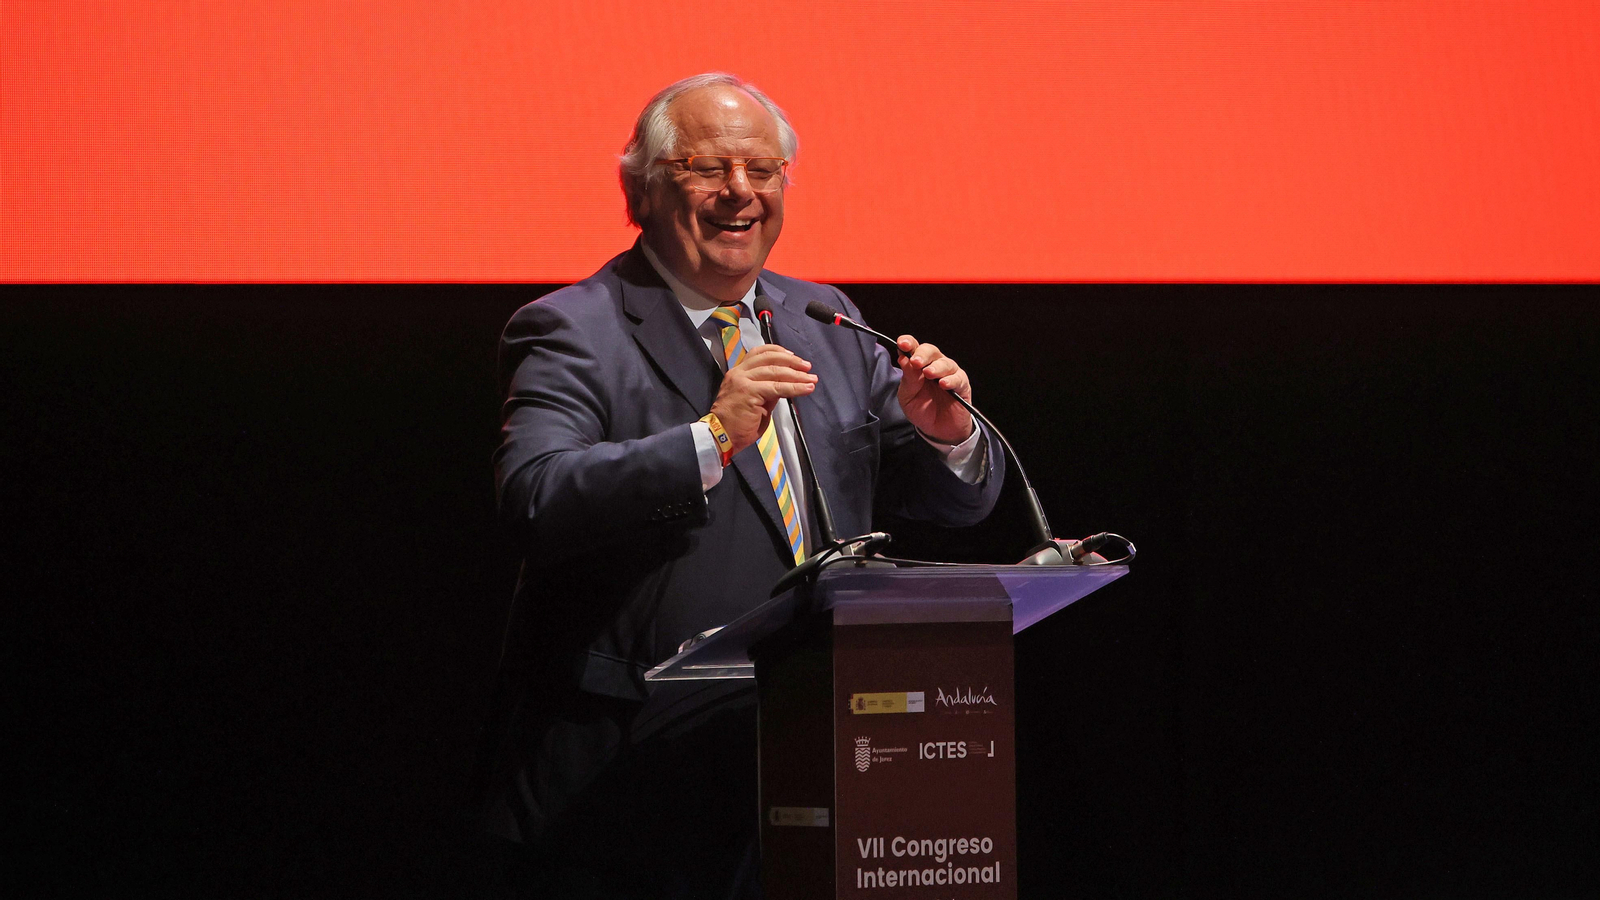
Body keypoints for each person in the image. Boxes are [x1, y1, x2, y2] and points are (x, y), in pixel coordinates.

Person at [474, 72, 1005, 898]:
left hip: (814, 757)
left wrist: (947, 435)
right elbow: (538, 498)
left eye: (763, 171)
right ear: (641, 190)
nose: (739, 193)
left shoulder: (823, 320)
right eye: (707, 168)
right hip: (630, 785)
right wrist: (709, 439)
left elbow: (951, 499)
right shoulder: (575, 327)